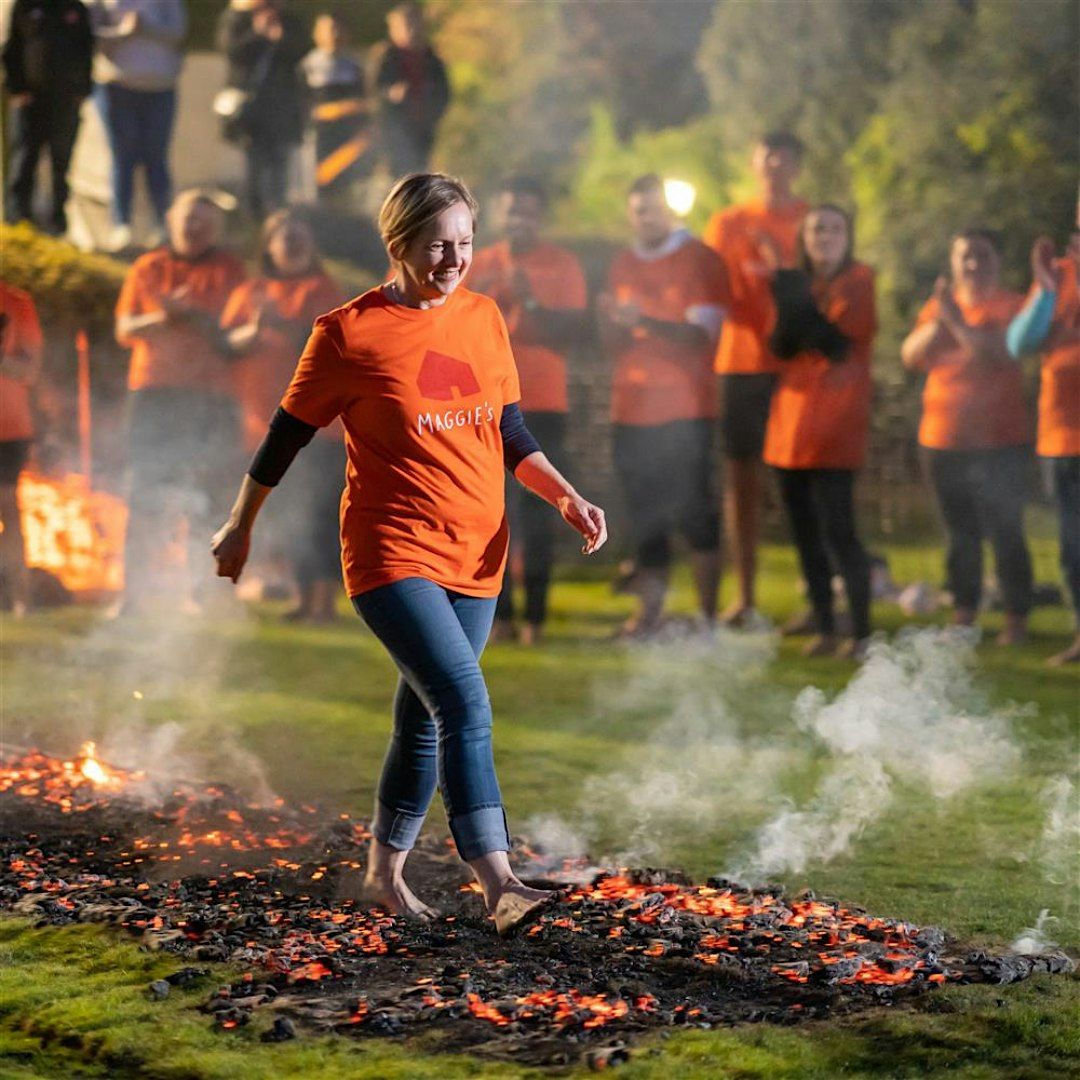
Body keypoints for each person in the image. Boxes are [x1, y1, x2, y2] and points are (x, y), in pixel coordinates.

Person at [211, 173, 607, 932]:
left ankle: (380, 875)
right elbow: (284, 437)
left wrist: (564, 495)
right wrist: (241, 525)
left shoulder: (486, 318)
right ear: (398, 246)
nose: (455, 260)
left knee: (424, 718)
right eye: (438, 246)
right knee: (464, 702)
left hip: (478, 551)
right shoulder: (346, 332)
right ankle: (499, 884)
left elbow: (511, 435)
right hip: (391, 552)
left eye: (464, 243)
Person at [599, 174, 726, 637]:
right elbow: (616, 342)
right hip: (631, 407)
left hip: (686, 407)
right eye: (637, 211)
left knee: (697, 511)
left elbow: (702, 335)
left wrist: (644, 321)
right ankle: (650, 616)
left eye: (651, 209)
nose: (643, 218)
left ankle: (709, 619)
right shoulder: (622, 264)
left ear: (669, 211)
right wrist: (608, 323)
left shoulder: (701, 259)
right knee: (644, 514)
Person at [469, 176, 589, 644]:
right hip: (481, 404)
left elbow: (572, 335)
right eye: (511, 210)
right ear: (498, 214)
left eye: (527, 212)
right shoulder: (478, 264)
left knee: (538, 511)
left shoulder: (563, 265)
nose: (518, 219)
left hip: (541, 403)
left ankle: (535, 617)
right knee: (486, 511)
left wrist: (530, 297)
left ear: (540, 217)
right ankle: (499, 617)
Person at [115, 188, 246, 615]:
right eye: (189, 218)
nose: (196, 227)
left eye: (205, 221)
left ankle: (206, 595)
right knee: (146, 494)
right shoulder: (149, 267)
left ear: (216, 229)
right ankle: (134, 595)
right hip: (156, 394)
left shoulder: (231, 271)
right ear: (172, 221)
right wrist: (164, 317)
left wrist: (199, 320)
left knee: (210, 496)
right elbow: (125, 329)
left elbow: (239, 335)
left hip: (211, 397)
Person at [901, 230, 1031, 644]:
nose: (973, 264)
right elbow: (911, 355)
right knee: (960, 533)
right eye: (965, 257)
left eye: (982, 255)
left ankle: (1016, 620)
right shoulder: (939, 308)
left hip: (1000, 439)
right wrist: (941, 319)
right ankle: (964, 615)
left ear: (997, 260)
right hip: (943, 439)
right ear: (953, 262)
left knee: (1006, 528)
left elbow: (997, 353)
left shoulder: (1012, 305)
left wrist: (955, 322)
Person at [703, 132, 809, 628]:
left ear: (797, 166)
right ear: (753, 162)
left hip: (797, 368)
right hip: (740, 363)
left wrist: (779, 269)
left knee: (802, 482)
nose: (775, 165)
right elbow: (709, 288)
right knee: (741, 482)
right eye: (767, 155)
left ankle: (816, 596)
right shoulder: (728, 222)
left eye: (785, 158)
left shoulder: (809, 221)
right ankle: (745, 596)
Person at [763, 206, 877, 659]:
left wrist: (790, 290)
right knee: (805, 533)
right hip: (791, 427)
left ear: (848, 237)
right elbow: (781, 343)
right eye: (816, 229)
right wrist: (791, 293)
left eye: (834, 229)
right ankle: (826, 625)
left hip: (836, 426)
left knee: (839, 532)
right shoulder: (801, 285)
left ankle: (862, 632)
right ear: (803, 239)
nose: (825, 237)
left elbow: (834, 340)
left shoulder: (858, 281)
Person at [221, 209, 345, 621]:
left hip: (317, 424)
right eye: (283, 236)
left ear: (310, 247)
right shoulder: (252, 290)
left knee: (319, 513)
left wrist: (285, 327)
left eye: (299, 236)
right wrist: (255, 330)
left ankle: (323, 602)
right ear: (269, 245)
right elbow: (228, 342)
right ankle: (302, 597)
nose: (291, 243)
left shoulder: (323, 289)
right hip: (260, 421)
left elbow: (329, 344)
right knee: (291, 511)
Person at [1007, 224, 1080, 665]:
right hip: (1061, 437)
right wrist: (1046, 292)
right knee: (1073, 545)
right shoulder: (1059, 274)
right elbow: (1019, 343)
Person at [88, 0, 186, 253]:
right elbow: (90, 36)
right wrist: (124, 32)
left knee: (156, 157)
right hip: (116, 86)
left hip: (160, 86)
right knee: (123, 157)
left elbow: (179, 32)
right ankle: (122, 225)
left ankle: (164, 224)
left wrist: (147, 28)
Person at [2, 0, 93, 235]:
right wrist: (16, 88)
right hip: (30, 100)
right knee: (24, 159)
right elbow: (12, 47)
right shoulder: (24, 6)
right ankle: (17, 218)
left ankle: (58, 221)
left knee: (61, 162)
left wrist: (82, 91)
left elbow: (86, 49)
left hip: (64, 102)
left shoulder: (75, 8)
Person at [216, 0, 307, 219]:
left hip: (281, 105)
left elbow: (302, 52)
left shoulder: (290, 20)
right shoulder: (236, 18)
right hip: (248, 106)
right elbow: (231, 52)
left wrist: (280, 38)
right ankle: (252, 216)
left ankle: (280, 216)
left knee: (280, 164)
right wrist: (258, 33)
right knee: (252, 164)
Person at [0, 282, 43, 616]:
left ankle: (20, 600)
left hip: (9, 427)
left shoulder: (16, 303)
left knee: (8, 509)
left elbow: (29, 371)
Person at [370, 2, 449, 177]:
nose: (412, 30)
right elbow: (373, 89)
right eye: (407, 25)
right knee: (396, 170)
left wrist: (433, 110)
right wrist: (390, 94)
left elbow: (444, 92)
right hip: (393, 127)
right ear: (393, 29)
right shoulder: (385, 57)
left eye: (416, 24)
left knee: (420, 171)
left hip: (422, 125)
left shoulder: (431, 57)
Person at [300, 13, 370, 205]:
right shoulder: (308, 66)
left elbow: (364, 103)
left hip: (348, 139)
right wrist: (333, 110)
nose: (335, 34)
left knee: (350, 188)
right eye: (330, 29)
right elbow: (302, 105)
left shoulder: (354, 66)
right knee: (320, 188)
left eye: (339, 29)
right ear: (317, 34)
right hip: (319, 136)